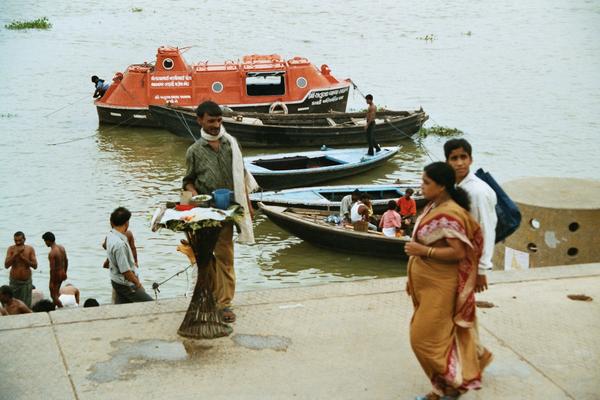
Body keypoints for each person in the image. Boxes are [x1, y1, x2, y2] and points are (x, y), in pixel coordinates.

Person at [405, 162, 490, 399]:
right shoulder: (435, 205)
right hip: (426, 285)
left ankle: (452, 385)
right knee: (441, 336)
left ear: (441, 186)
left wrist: (423, 252)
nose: (421, 186)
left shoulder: (450, 212)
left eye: (426, 182)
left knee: (422, 339)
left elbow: (460, 252)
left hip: (441, 286)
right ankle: (449, 383)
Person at [182, 100, 259, 323]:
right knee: (206, 259)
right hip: (204, 213)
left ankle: (225, 304)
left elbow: (242, 176)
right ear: (200, 121)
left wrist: (249, 205)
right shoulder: (194, 151)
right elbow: (188, 181)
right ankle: (211, 296)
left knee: (226, 258)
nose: (216, 125)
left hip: (228, 212)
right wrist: (194, 194)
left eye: (218, 120)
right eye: (211, 121)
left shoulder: (231, 144)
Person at [444, 139, 497, 293]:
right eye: (454, 158)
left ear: (471, 159)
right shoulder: (457, 186)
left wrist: (481, 271)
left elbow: (486, 230)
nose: (460, 163)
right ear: (447, 162)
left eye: (463, 157)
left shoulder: (476, 192)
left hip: (472, 263)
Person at [106, 207, 153, 304]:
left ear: (112, 222)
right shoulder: (119, 244)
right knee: (150, 303)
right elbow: (126, 271)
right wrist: (138, 284)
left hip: (115, 280)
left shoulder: (110, 236)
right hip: (125, 284)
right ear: (126, 223)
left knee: (122, 308)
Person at [4, 231, 38, 308]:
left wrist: (23, 258)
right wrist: (15, 255)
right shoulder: (11, 249)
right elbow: (6, 265)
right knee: (13, 304)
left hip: (26, 282)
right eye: (16, 240)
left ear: (24, 239)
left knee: (26, 304)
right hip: (14, 282)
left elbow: (35, 266)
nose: (18, 242)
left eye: (20, 240)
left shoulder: (30, 249)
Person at [42, 232, 68, 308]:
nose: (45, 243)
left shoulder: (52, 253)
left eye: (45, 241)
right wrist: (65, 272)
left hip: (56, 274)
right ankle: (54, 307)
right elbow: (66, 261)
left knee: (53, 295)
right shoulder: (61, 248)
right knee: (56, 293)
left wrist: (51, 282)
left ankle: (61, 308)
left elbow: (52, 269)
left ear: (48, 241)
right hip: (62, 272)